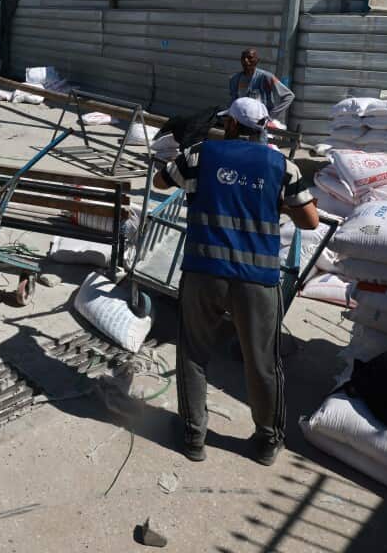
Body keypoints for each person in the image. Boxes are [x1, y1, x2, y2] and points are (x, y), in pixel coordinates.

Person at [153, 97, 318, 467]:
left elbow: (159, 182)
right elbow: (311, 221)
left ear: (229, 126)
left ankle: (194, 436)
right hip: (256, 280)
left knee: (193, 354)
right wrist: (272, 200)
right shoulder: (281, 165)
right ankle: (266, 441)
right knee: (262, 362)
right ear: (261, 130)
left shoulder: (199, 155)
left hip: (204, 271)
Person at [229, 48, 295, 122]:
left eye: (250, 58)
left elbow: (289, 96)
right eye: (243, 58)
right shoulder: (234, 79)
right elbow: (233, 101)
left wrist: (271, 115)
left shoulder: (266, 77)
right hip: (240, 120)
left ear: (257, 60)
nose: (246, 61)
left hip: (260, 122)